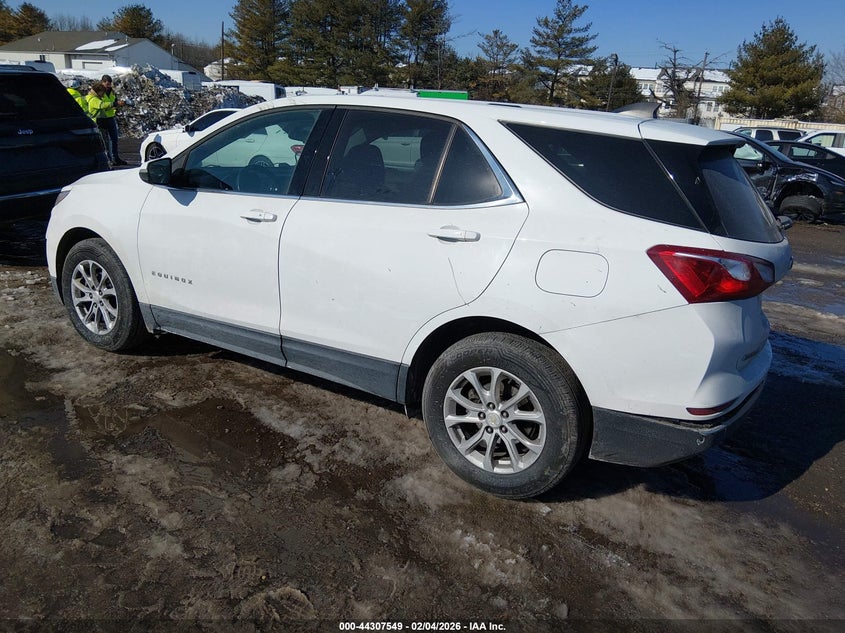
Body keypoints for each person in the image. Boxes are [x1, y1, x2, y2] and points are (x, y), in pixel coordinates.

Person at [97, 74, 127, 166]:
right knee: (105, 140)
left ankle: (115, 158)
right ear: (102, 82)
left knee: (114, 139)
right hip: (101, 118)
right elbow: (102, 104)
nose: (108, 85)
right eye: (107, 83)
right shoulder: (98, 92)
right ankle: (108, 159)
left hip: (110, 117)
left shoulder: (111, 92)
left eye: (110, 83)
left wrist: (118, 104)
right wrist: (114, 103)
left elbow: (113, 101)